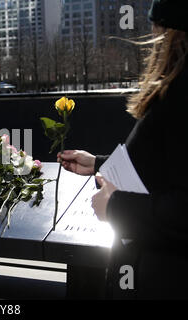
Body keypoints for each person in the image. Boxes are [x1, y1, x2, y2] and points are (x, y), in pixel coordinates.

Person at [58, 0, 188, 299]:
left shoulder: (181, 95)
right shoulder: (178, 90)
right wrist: (99, 164)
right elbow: (168, 168)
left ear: (169, 33)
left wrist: (115, 207)